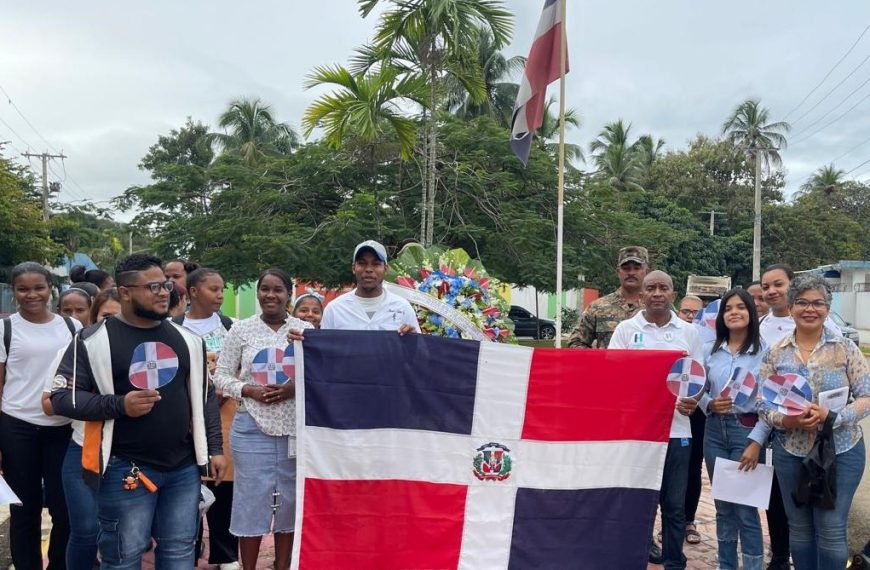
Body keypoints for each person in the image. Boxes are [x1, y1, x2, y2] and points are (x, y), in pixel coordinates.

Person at [49, 253, 226, 569]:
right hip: (122, 468)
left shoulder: (188, 340)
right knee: (123, 557)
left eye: (166, 285)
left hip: (183, 468)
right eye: (153, 286)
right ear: (125, 291)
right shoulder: (92, 340)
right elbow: (62, 398)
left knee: (179, 551)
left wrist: (214, 448)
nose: (164, 292)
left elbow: (205, 396)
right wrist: (120, 405)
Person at [758, 274, 869, 570]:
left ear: (827, 308)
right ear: (792, 306)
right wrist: (788, 419)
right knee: (800, 528)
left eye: (818, 303)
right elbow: (762, 403)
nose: (810, 309)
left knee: (832, 528)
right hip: (790, 450)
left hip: (842, 450)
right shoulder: (776, 352)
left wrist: (834, 417)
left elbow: (867, 396)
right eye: (803, 302)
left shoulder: (845, 348)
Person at [214, 268, 312, 570]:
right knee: (251, 503)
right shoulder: (241, 330)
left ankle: (283, 566)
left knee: (289, 505)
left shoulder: (304, 330)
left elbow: (322, 373)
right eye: (265, 289)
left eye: (278, 289)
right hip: (250, 429)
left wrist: (292, 388)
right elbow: (220, 377)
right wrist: (248, 390)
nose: (271, 295)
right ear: (258, 293)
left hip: (294, 432)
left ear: (289, 295)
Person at [609, 270, 703, 570]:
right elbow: (613, 377)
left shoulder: (689, 332)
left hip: (677, 432)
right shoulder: (626, 329)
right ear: (642, 295)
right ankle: (634, 556)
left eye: (664, 287)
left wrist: (695, 400)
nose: (658, 293)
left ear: (673, 294)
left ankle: (675, 562)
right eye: (651, 288)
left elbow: (699, 377)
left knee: (674, 506)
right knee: (637, 501)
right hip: (637, 433)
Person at [0, 262, 80, 570]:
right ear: (14, 292)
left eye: (38, 288)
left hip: (63, 428)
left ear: (51, 289)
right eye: (23, 289)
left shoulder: (72, 328)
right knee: (24, 509)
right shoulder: (6, 329)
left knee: (65, 509)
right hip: (17, 427)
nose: (31, 295)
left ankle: (58, 565)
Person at [174, 268, 240, 570]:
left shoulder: (231, 328)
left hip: (223, 420)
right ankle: (189, 549)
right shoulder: (172, 328)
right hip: (181, 421)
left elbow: (242, 369)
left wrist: (222, 390)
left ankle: (226, 555)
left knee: (222, 485)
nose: (220, 295)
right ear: (193, 291)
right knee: (186, 489)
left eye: (222, 289)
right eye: (213, 289)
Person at [699, 288, 768, 570]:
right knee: (724, 509)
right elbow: (696, 390)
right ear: (721, 316)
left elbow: (770, 403)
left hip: (746, 431)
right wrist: (708, 403)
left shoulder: (765, 353)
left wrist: (756, 441)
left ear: (751, 313)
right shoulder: (710, 352)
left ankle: (752, 566)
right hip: (714, 432)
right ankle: (726, 565)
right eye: (728, 308)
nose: (734, 312)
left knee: (745, 510)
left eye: (741, 307)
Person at [320, 240, 420, 333]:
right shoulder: (335, 309)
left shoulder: (402, 307)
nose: (368, 269)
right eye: (362, 263)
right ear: (353, 268)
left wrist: (414, 339)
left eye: (376, 264)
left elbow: (420, 350)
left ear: (386, 269)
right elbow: (323, 349)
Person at [568, 246, 649, 349]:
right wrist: (597, 360)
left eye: (637, 268)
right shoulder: (598, 307)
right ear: (618, 271)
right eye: (626, 268)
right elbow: (576, 342)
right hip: (607, 364)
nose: (631, 273)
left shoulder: (657, 307)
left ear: (647, 271)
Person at [677, 293, 705, 547]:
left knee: (692, 466)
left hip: (696, 410)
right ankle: (669, 524)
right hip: (665, 412)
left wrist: (696, 400)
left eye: (697, 313)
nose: (691, 317)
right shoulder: (676, 334)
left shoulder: (707, 337)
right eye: (686, 311)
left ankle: (688, 520)